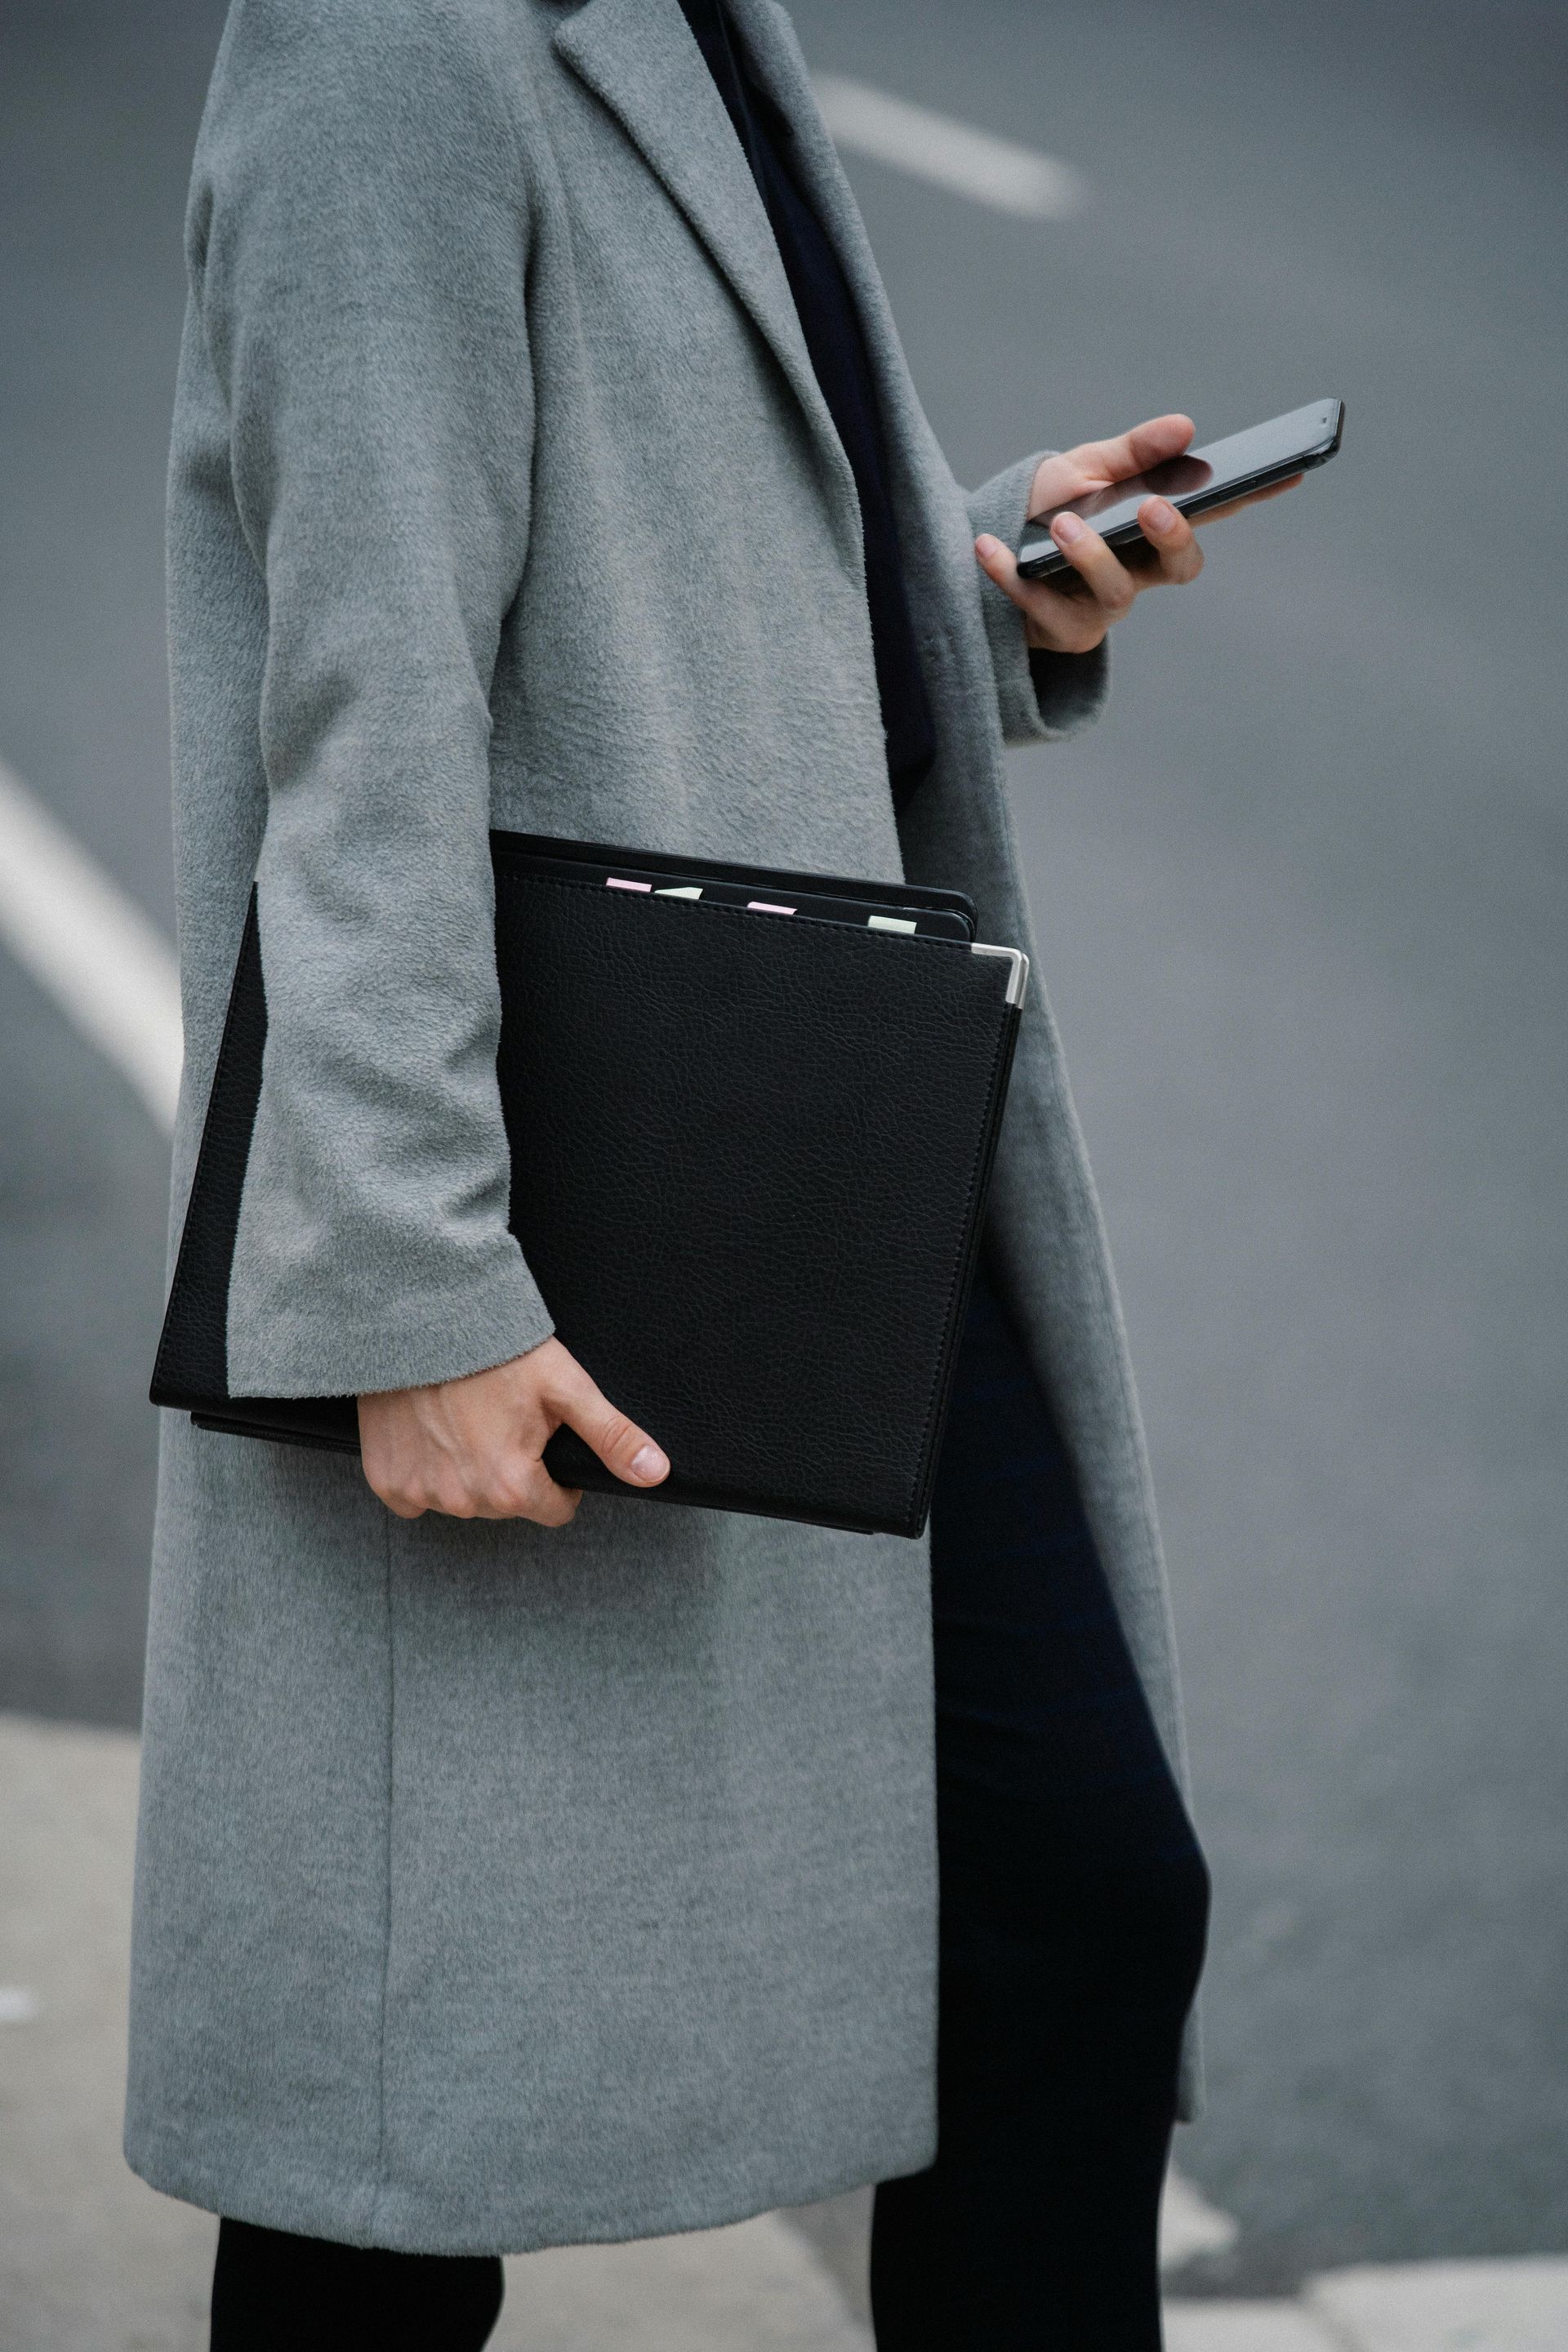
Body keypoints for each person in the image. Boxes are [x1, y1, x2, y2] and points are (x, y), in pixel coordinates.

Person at [128, 1, 1289, 2343]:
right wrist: (411, 1286)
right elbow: (364, 681)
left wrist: (982, 583)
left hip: (794, 1150)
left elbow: (652, 544)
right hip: (552, 1168)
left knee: (1066, 1904)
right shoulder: (396, 38)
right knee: (395, 2114)